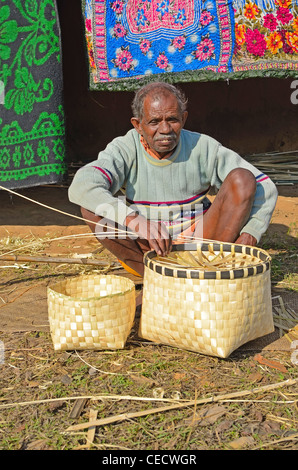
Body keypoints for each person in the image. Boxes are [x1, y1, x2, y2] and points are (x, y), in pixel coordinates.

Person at [68, 81, 278, 278]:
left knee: (242, 179)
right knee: (92, 209)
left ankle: (205, 271)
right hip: (146, 247)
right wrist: (135, 221)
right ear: (138, 125)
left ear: (184, 119)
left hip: (202, 243)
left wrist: (250, 234)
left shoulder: (203, 147)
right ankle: (154, 278)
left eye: (172, 120)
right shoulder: (124, 148)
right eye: (154, 122)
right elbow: (82, 185)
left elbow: (265, 187)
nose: (165, 130)